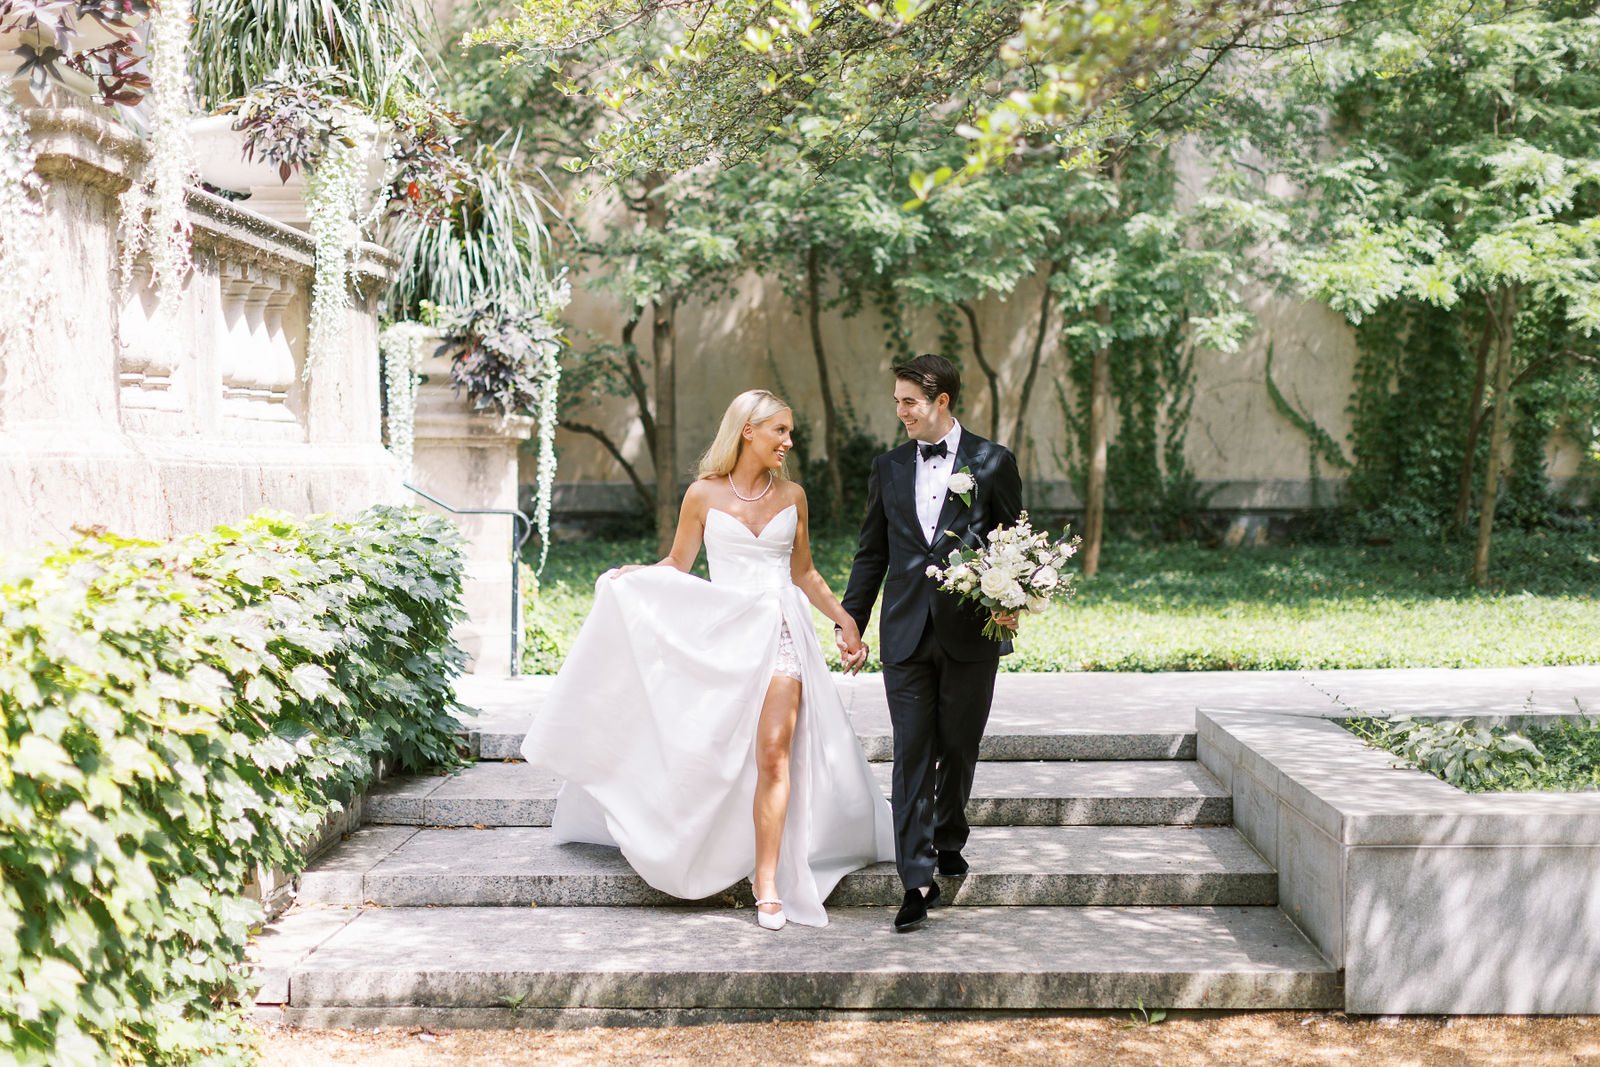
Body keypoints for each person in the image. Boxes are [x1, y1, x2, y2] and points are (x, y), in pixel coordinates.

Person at [521, 389, 894, 930]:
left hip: (783, 633)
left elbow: (804, 572)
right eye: (780, 431)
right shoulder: (702, 494)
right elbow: (678, 564)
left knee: (774, 754)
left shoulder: (793, 495)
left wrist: (845, 619)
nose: (789, 442)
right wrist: (634, 580)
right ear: (748, 430)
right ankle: (698, 839)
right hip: (724, 636)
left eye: (790, 433)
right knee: (711, 751)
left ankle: (768, 881)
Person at [838, 354, 1023, 932]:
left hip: (970, 630)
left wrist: (1010, 604)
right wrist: (853, 622)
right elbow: (873, 551)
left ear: (941, 401)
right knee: (912, 750)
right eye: (897, 401)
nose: (900, 413)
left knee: (959, 746)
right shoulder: (888, 466)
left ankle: (948, 837)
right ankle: (915, 879)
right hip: (905, 633)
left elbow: (1015, 542)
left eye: (909, 402)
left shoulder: (993, 461)